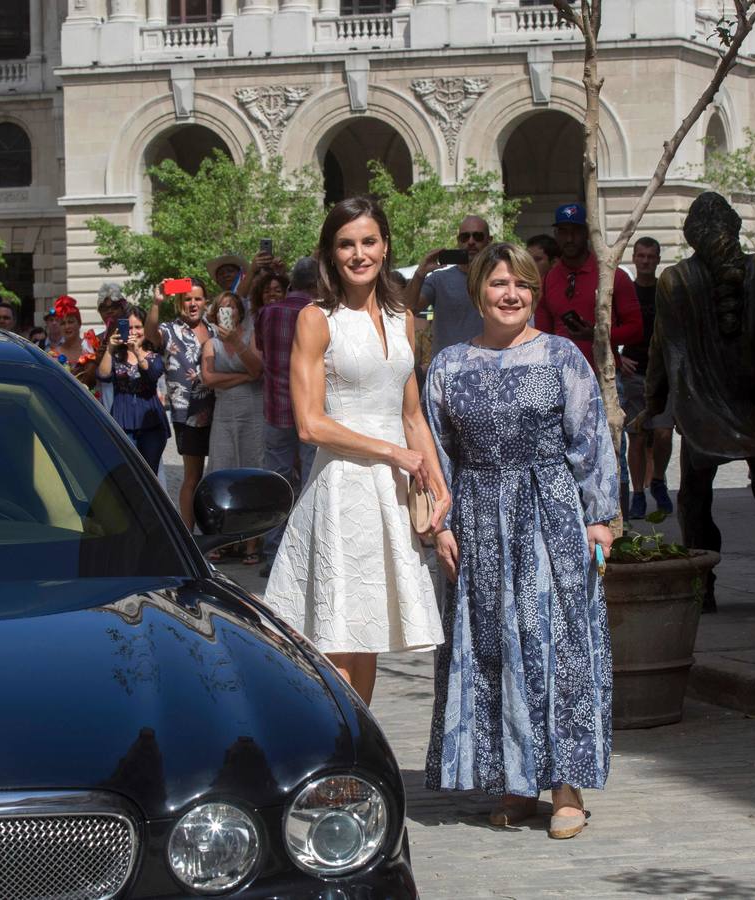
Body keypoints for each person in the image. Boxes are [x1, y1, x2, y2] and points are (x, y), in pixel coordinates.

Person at [424, 241, 617, 840]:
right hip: (478, 517)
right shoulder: (449, 364)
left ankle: (566, 786)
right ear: (477, 290)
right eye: (499, 283)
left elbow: (589, 439)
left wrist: (600, 515)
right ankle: (514, 780)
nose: (511, 295)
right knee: (494, 645)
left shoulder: (562, 356)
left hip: (550, 511)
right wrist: (441, 526)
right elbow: (437, 454)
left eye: (523, 286)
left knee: (558, 644)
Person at [263, 197, 447, 705]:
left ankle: (353, 760)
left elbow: (413, 416)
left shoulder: (403, 317)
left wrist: (437, 482)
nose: (359, 254)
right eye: (346, 244)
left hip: (391, 490)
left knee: (368, 643)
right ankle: (343, 761)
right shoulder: (316, 319)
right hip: (343, 488)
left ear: (385, 247)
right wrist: (395, 454)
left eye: (368, 242)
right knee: (341, 644)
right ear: (330, 253)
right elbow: (309, 423)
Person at [642, 191, 755, 618]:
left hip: (701, 417)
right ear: (734, 228)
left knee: (695, 498)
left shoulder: (674, 282)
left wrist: (654, 404)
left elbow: (662, 353)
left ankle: (703, 583)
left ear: (692, 237)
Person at [256, 257, 318, 577]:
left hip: (277, 408)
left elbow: (261, 350)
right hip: (311, 410)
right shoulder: (319, 314)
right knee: (310, 482)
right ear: (316, 284)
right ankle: (307, 554)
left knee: (277, 483)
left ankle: (273, 553)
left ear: (293, 283)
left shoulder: (267, 313)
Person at [535, 202, 641, 371]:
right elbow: (543, 337)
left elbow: (636, 330)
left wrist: (597, 335)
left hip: (604, 378)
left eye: (575, 231)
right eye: (563, 231)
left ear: (586, 233)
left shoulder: (613, 276)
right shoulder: (548, 280)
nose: (569, 239)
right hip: (562, 378)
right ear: (556, 234)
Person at [144, 277, 214, 532]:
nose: (193, 304)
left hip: (221, 409)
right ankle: (188, 535)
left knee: (216, 473)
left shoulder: (215, 328)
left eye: (198, 298)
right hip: (188, 413)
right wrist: (156, 303)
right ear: (179, 303)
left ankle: (216, 532)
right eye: (187, 299)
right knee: (192, 476)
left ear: (205, 302)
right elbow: (150, 336)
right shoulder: (170, 329)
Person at [201, 291, 265, 565]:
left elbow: (258, 369)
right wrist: (242, 377)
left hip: (253, 411)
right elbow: (208, 379)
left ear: (240, 312)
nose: (227, 312)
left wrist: (237, 343)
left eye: (232, 308)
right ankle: (221, 540)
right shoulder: (210, 344)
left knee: (252, 471)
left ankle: (251, 543)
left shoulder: (249, 337)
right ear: (215, 314)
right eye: (222, 308)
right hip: (225, 413)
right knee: (221, 470)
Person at [620, 236, 674, 519]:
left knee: (664, 434)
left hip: (663, 375)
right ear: (634, 258)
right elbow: (609, 326)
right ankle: (639, 493)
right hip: (634, 372)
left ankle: (658, 479)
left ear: (658, 259)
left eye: (651, 257)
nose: (645, 261)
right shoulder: (626, 291)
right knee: (637, 437)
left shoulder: (666, 292)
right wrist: (618, 359)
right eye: (641, 256)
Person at [404, 214, 493, 351]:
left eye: (478, 236)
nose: (471, 242)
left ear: (489, 241)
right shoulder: (438, 279)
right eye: (465, 237)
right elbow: (408, 309)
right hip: (447, 368)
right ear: (458, 241)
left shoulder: (499, 281)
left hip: (488, 365)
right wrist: (420, 273)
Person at [97, 309, 168, 474]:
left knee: (150, 474)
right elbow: (103, 375)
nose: (134, 332)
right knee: (128, 474)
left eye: (138, 327)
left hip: (151, 423)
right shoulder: (117, 356)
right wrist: (110, 349)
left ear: (145, 329)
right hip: (123, 418)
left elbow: (152, 374)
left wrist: (137, 351)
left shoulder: (153, 355)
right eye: (129, 327)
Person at [47, 295, 99, 389]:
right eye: (63, 323)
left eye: (70, 322)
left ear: (79, 323)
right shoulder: (53, 355)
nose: (67, 327)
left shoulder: (91, 347)